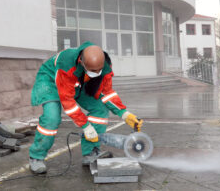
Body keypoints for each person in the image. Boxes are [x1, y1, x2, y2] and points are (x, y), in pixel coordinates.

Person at [29, 41, 143, 174]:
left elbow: (106, 93)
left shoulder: (104, 66)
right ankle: (36, 157)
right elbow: (68, 102)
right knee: (52, 118)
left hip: (78, 82)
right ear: (81, 62)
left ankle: (90, 152)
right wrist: (86, 126)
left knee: (99, 109)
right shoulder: (66, 64)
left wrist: (124, 113)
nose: (97, 73)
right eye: (93, 71)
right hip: (50, 82)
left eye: (98, 70)